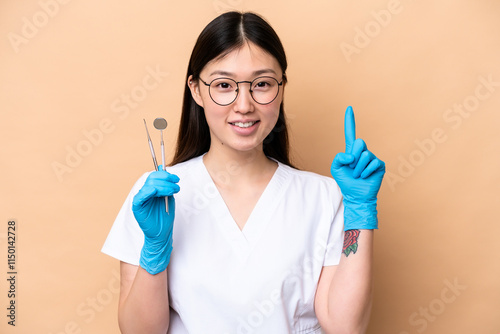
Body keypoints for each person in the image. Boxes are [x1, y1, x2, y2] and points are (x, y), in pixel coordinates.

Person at [102, 11, 385, 334]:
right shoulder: (157, 194)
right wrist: (154, 251)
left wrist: (360, 214)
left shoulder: (324, 197)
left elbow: (345, 327)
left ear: (281, 87)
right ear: (195, 89)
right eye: (224, 85)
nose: (244, 104)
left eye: (262, 84)